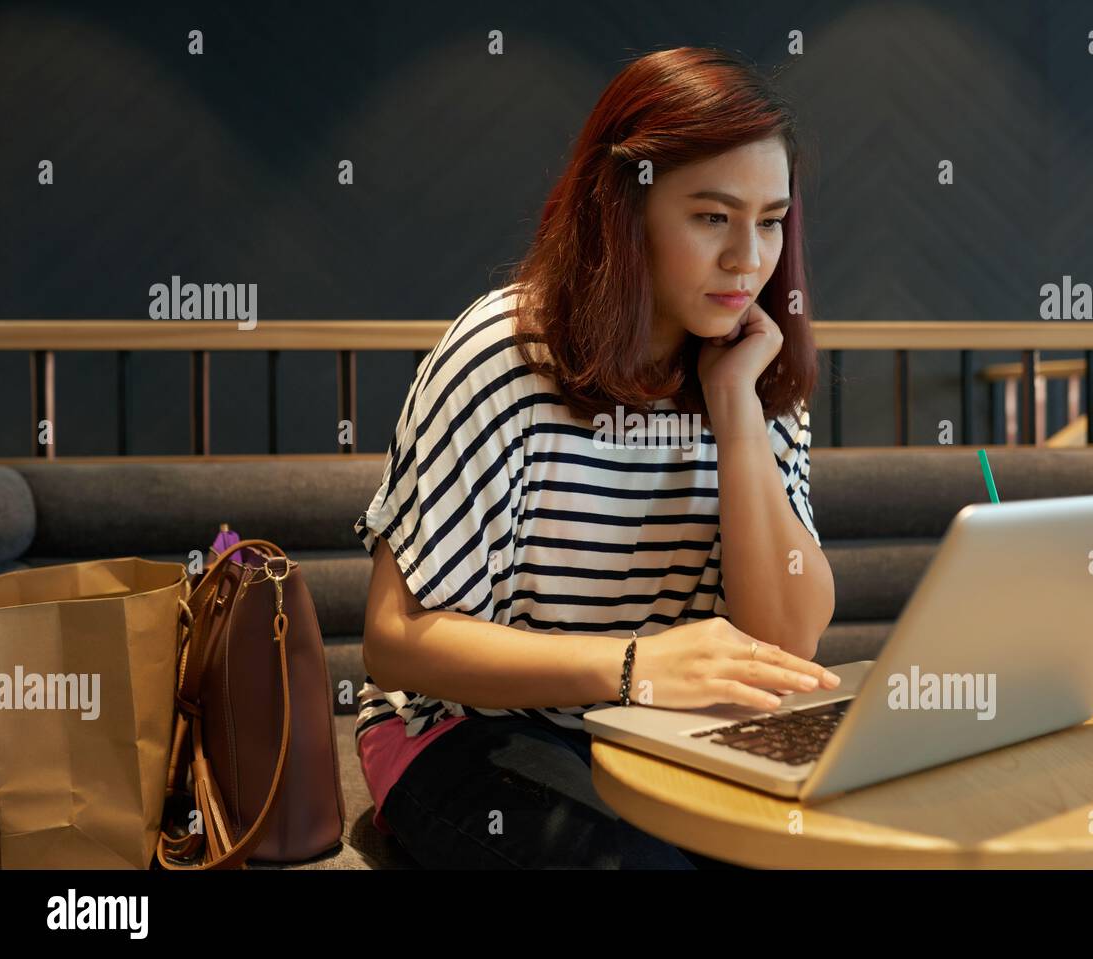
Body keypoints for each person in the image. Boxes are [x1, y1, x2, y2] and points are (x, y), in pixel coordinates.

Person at [354, 46, 839, 869]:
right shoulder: (500, 353)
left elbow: (787, 638)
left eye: (769, 220)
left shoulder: (750, 367)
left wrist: (735, 411)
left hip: (669, 735)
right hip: (468, 731)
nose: (747, 259)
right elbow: (394, 640)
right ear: (626, 207)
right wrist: (631, 667)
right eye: (712, 217)